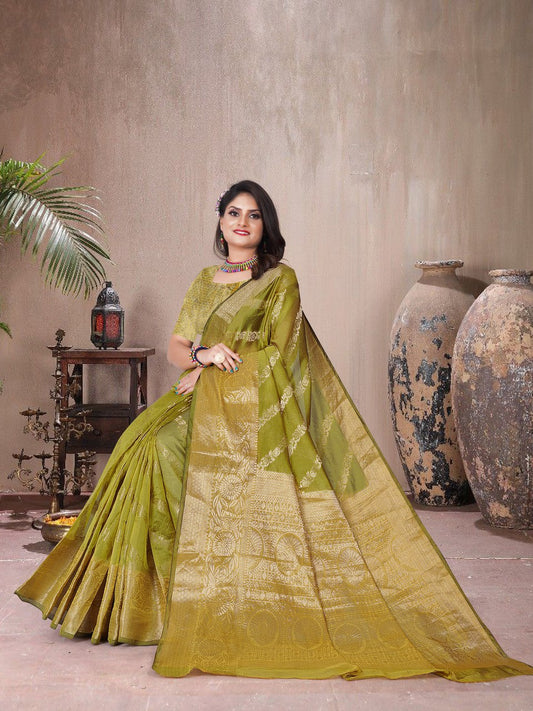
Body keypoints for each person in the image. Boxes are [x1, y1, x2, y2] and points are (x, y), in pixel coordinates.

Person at [16, 180, 532, 682]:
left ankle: (207, 596)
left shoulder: (281, 280)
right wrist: (203, 356)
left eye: (254, 215)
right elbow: (177, 348)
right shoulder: (204, 281)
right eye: (234, 213)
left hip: (251, 407)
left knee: (170, 450)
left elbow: (280, 355)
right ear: (220, 221)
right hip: (199, 399)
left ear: (266, 226)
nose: (242, 222)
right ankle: (156, 602)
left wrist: (215, 372)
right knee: (144, 444)